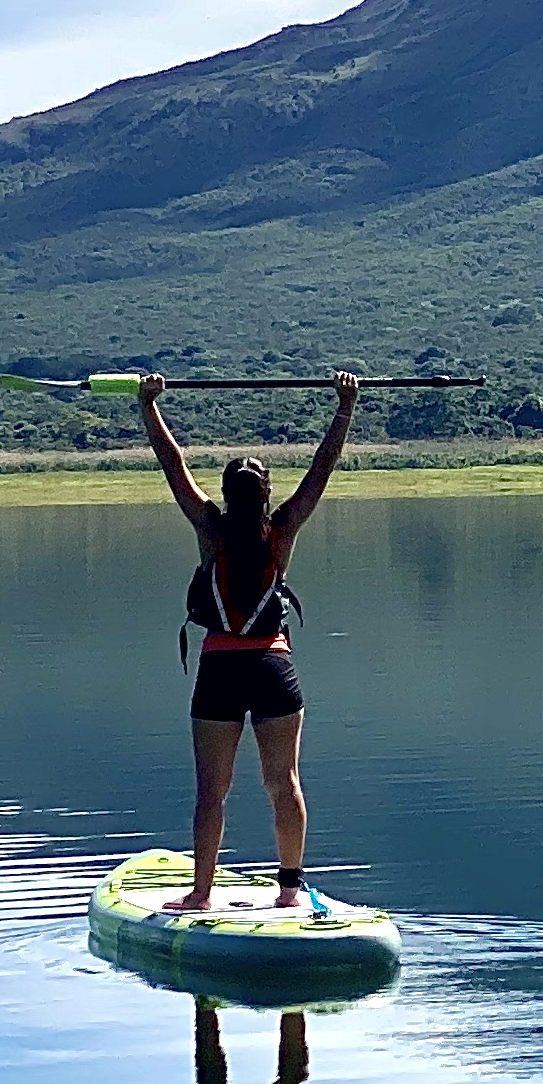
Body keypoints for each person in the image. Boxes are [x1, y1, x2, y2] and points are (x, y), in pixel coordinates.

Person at [137, 369, 358, 911]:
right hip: (272, 669)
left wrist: (149, 405)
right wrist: (344, 407)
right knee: (284, 782)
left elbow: (173, 464)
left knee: (212, 791)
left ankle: (201, 894)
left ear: (225, 494)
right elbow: (321, 468)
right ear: (266, 495)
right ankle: (289, 892)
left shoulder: (208, 529)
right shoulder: (282, 530)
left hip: (220, 672)